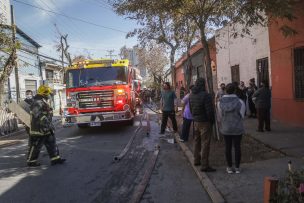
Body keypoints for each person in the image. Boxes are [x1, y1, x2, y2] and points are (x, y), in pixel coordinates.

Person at [27, 85, 66, 167]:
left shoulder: (43, 101)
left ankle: (55, 159)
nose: (49, 95)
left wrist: (49, 125)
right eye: (48, 94)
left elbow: (47, 114)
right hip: (38, 129)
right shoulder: (36, 102)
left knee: (52, 144)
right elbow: (38, 115)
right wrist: (48, 124)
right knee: (36, 146)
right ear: (43, 93)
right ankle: (31, 161)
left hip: (46, 128)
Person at [218, 83, 245, 174]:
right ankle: (237, 168)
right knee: (237, 147)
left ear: (225, 90)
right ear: (234, 90)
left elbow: (220, 116)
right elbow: (242, 115)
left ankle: (229, 167)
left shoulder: (220, 102)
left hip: (226, 128)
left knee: (227, 147)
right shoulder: (240, 102)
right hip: (237, 127)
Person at [189, 78, 216, 172]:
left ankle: (196, 160)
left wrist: (195, 117)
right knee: (205, 143)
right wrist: (212, 121)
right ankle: (204, 165)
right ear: (203, 84)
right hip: (205, 121)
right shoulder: (206, 95)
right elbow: (209, 111)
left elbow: (191, 108)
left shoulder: (191, 95)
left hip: (196, 121)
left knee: (197, 141)